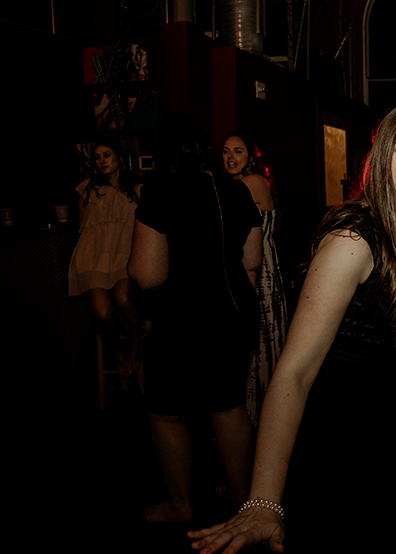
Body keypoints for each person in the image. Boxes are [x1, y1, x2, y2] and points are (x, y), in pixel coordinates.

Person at [187, 103, 396, 554]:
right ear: (380, 161)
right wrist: (264, 499)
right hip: (340, 455)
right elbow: (293, 371)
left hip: (386, 441)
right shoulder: (353, 241)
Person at [128, 115, 262, 523]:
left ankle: (179, 506)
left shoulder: (160, 192)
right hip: (235, 311)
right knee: (229, 405)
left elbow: (147, 275)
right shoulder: (236, 190)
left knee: (167, 412)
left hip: (182, 318)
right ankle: (240, 494)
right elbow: (252, 262)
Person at [222, 132, 288, 427]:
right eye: (225, 151)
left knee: (261, 342)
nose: (230, 157)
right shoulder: (234, 185)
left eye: (237, 151)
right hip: (245, 267)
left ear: (250, 156)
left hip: (261, 270)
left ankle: (264, 420)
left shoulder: (254, 183)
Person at [67, 141, 143, 376]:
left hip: (124, 254)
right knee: (102, 312)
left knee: (123, 298)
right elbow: (83, 227)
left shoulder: (138, 190)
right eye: (97, 157)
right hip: (94, 255)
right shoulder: (88, 189)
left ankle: (136, 347)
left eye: (107, 155)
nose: (102, 160)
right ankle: (117, 352)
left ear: (120, 158)